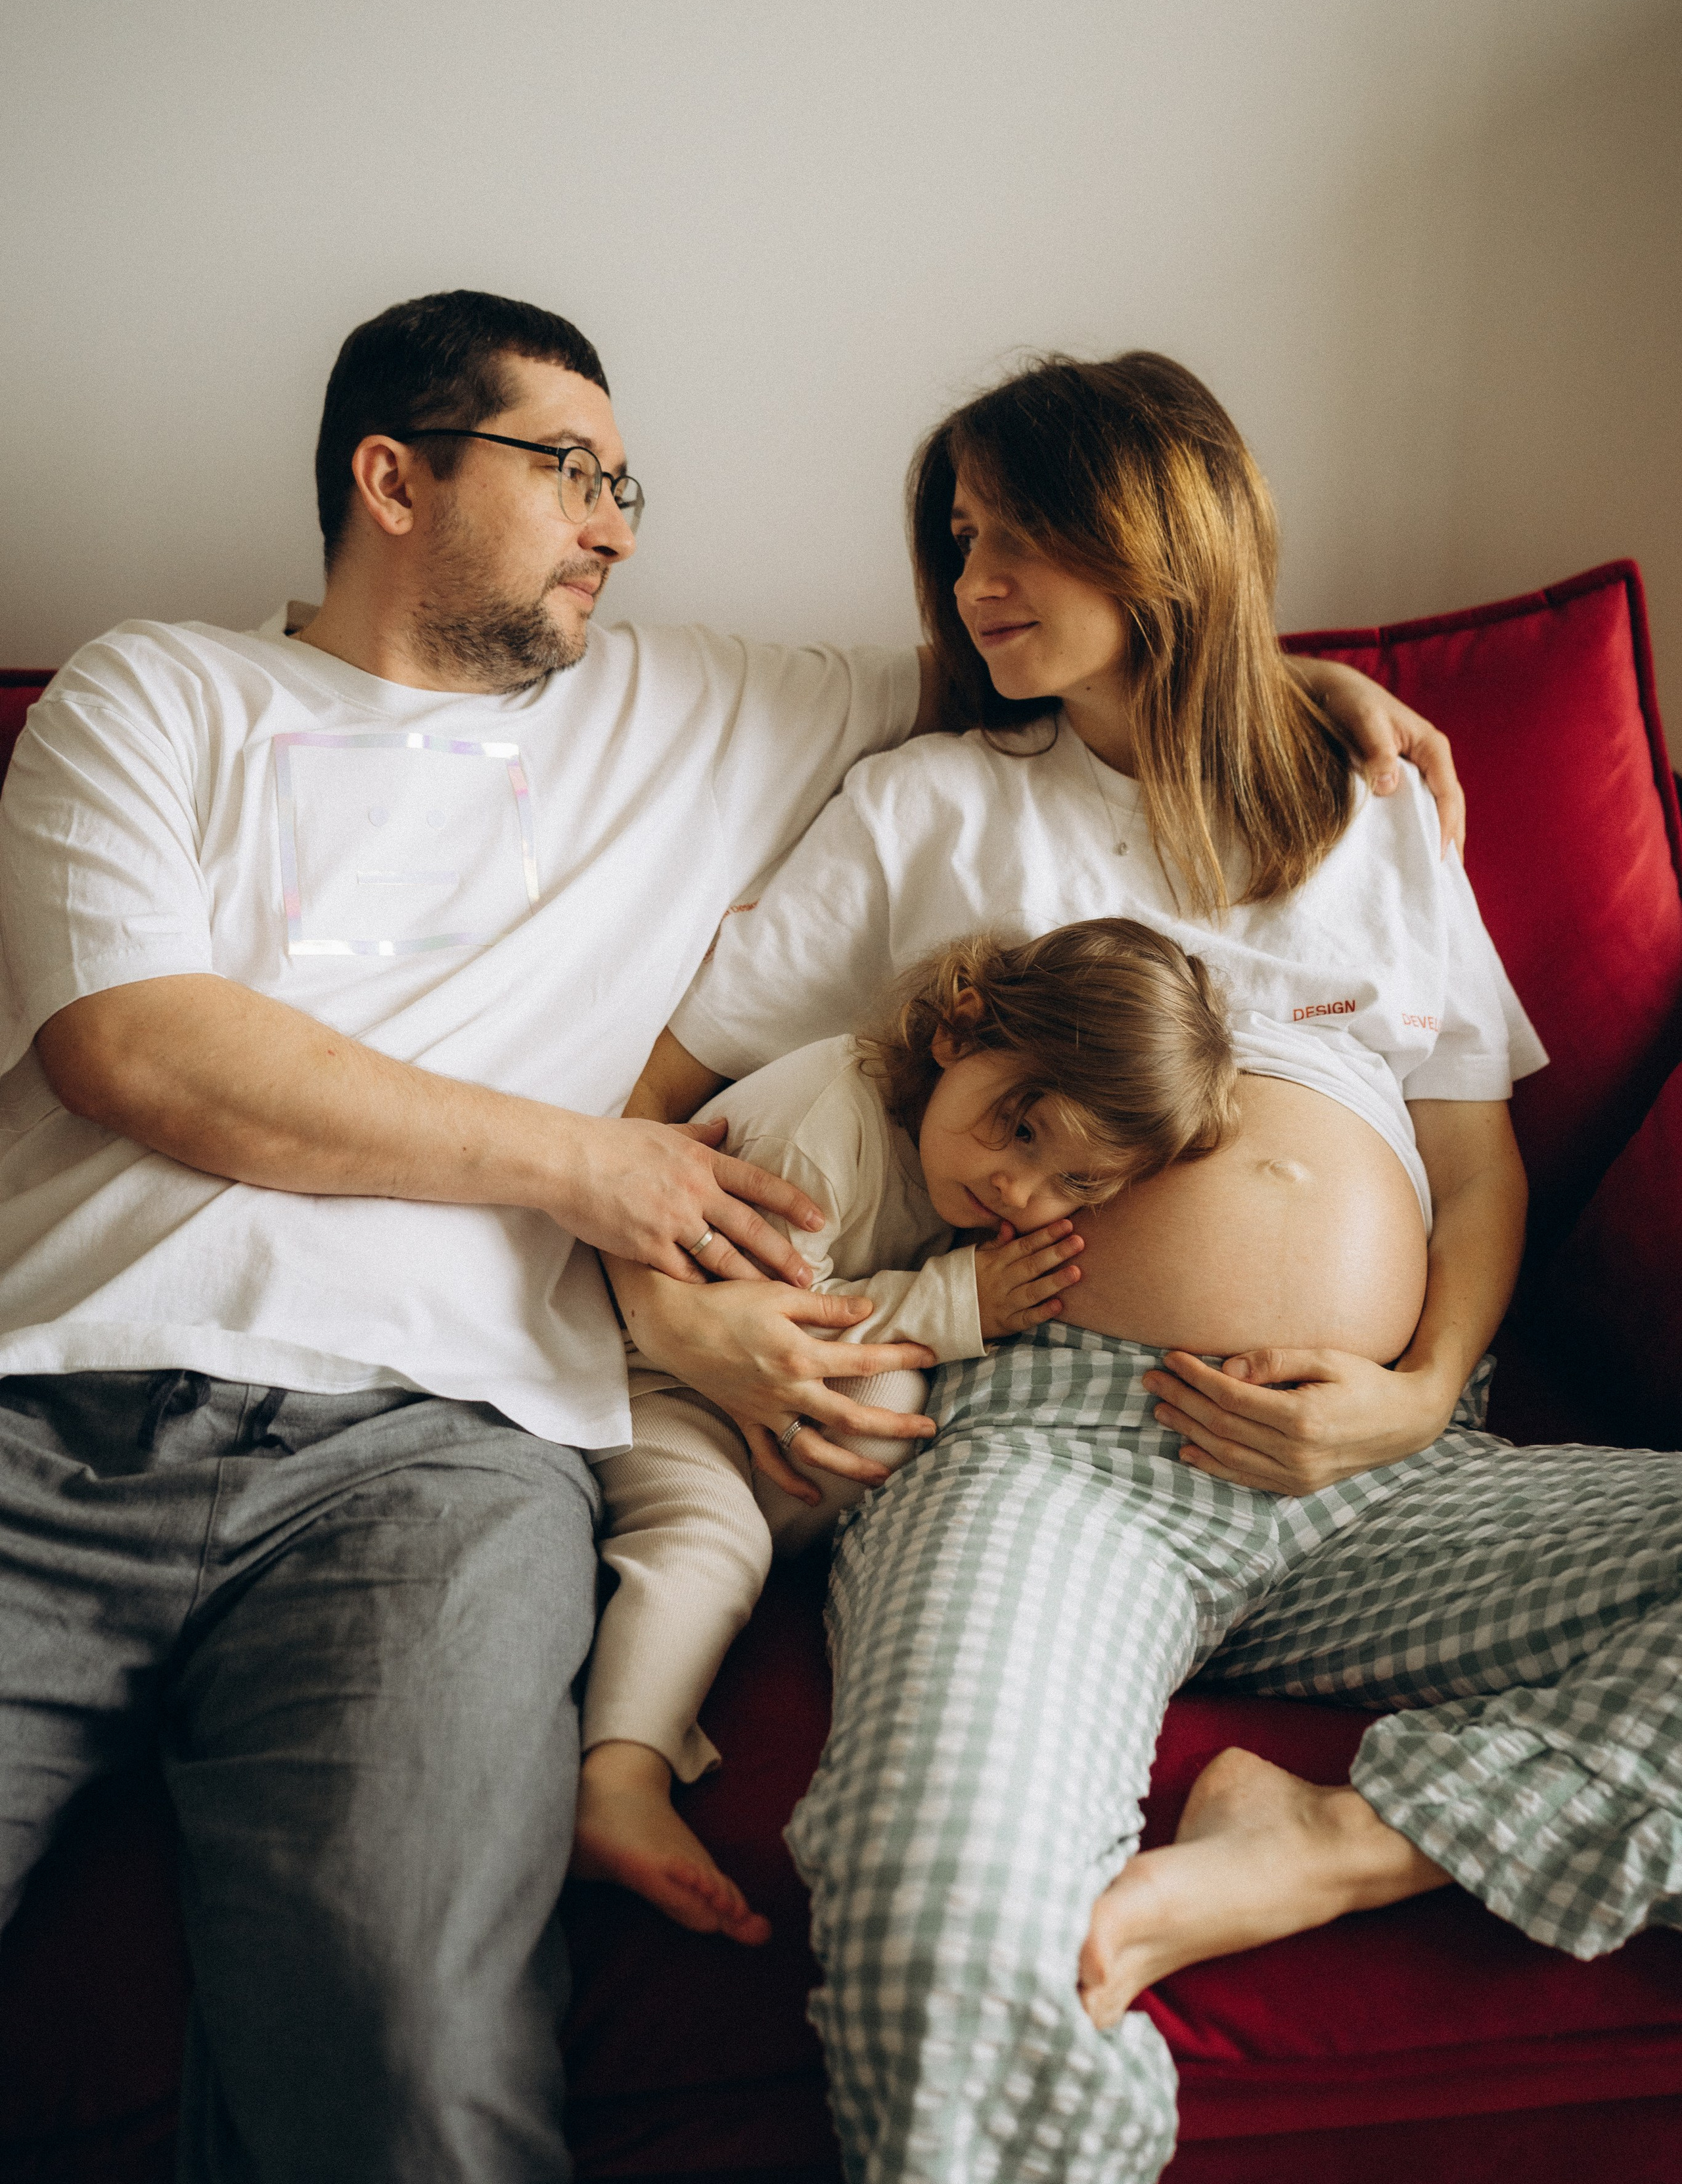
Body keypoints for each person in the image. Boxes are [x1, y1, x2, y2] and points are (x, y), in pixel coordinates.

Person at [0, 292, 1462, 2184]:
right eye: (570, 473)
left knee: (410, 2051)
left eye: (628, 486)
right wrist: (593, 1173)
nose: (616, 525)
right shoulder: (156, 693)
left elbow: (1065, 653)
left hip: (437, 1453)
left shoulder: (694, 706)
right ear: (391, 479)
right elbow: (132, 1047)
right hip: (47, 1406)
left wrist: (1285, 682)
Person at [614, 351, 1682, 2184]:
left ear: (1160, 537)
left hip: (1378, 1469)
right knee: (932, 1910)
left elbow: (1472, 1163)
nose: (976, 582)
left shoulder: (1364, 806)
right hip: (1041, 1453)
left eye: (1023, 535)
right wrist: (685, 1320)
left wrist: (1417, 1393)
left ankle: (1346, 1843)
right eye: (960, 541)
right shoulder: (924, 805)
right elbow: (650, 1122)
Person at [574, 916, 1240, 1944]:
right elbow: (761, 1331)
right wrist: (955, 1299)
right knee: (713, 1540)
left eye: (1078, 1184)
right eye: (1023, 1132)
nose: (1021, 1192)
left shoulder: (957, 1156)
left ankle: (745, 1578)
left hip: (765, 1401)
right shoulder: (818, 1132)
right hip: (662, 1382)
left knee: (897, 1409)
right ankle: (619, 1778)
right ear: (958, 1031)